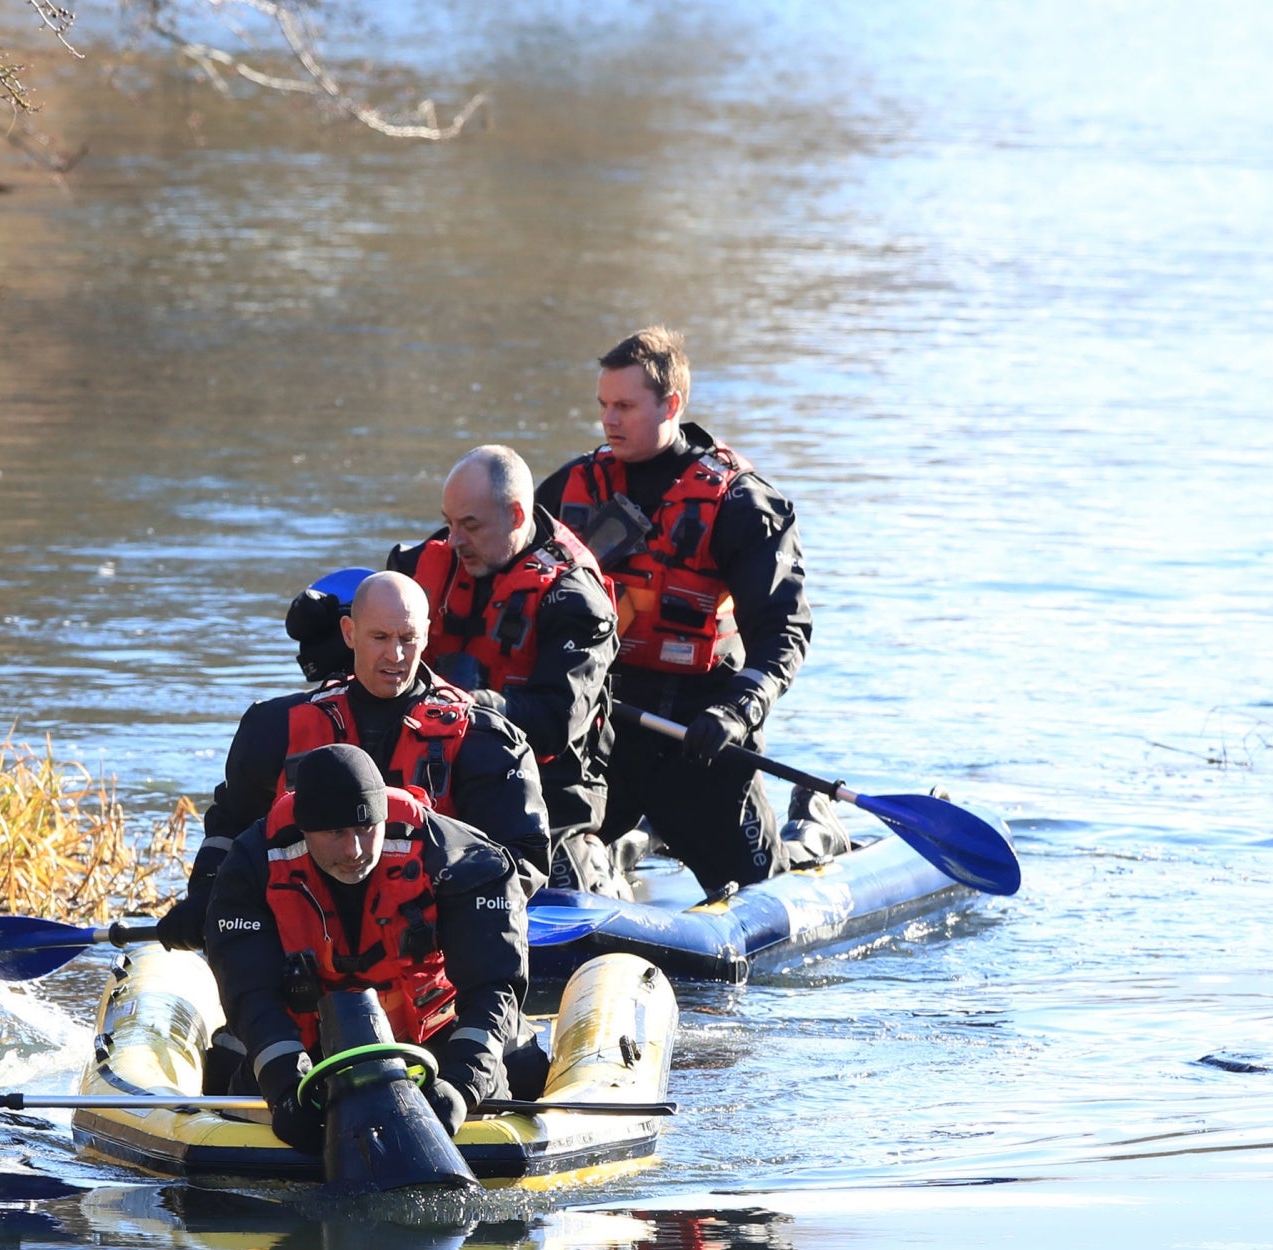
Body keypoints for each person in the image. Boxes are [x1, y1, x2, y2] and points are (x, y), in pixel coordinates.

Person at [535, 327, 849, 896]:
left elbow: (785, 631)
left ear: (671, 404)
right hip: (607, 724)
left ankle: (816, 831)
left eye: (626, 406)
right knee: (551, 854)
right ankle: (629, 840)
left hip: (700, 733)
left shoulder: (740, 504)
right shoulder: (571, 488)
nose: (610, 420)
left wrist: (737, 712)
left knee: (758, 886)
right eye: (604, 405)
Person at [153, 571, 550, 948]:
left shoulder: (483, 739)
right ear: (349, 633)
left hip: (428, 951)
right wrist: (206, 895)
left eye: (408, 638)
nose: (395, 654)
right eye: (379, 637)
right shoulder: (274, 727)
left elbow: (522, 858)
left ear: (427, 637)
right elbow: (231, 826)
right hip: (302, 945)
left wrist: (457, 911)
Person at [203, 744, 539, 1152]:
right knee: (245, 1077)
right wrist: (286, 1090)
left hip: (438, 1048)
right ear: (304, 826)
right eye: (335, 832)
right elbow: (251, 995)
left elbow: (493, 987)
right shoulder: (250, 865)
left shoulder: (464, 860)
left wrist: (462, 1087)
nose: (354, 851)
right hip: (308, 1055)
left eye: (366, 828)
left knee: (504, 1066)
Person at [388, 445, 620, 891]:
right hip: (435, 787)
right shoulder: (428, 565)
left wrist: (466, 705)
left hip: (545, 796)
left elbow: (555, 722)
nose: (453, 539)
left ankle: (606, 860)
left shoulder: (575, 600)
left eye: (470, 525)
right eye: (449, 521)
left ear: (516, 516)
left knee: (557, 888)